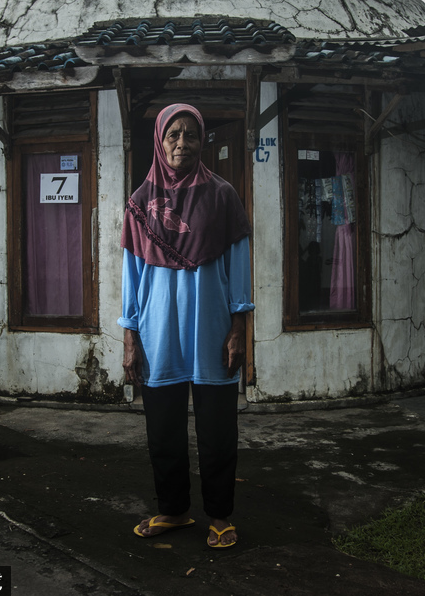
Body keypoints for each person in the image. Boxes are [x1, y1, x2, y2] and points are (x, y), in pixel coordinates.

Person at [119, 103, 253, 549]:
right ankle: (173, 511)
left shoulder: (222, 196)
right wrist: (130, 337)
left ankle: (220, 516)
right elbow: (132, 277)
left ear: (202, 140)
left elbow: (238, 266)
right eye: (173, 134)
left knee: (217, 431)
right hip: (158, 333)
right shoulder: (140, 204)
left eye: (191, 134)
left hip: (211, 328)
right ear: (160, 140)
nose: (182, 143)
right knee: (163, 431)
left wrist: (239, 327)